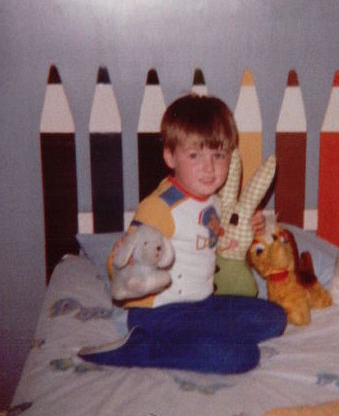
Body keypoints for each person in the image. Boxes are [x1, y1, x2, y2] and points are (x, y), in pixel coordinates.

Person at [79, 94, 286, 374]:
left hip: (202, 303)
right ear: (170, 156)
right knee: (243, 356)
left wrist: (250, 227)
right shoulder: (161, 207)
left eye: (218, 155)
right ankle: (143, 348)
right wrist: (127, 268)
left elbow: (211, 241)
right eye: (194, 155)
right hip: (159, 313)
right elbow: (121, 261)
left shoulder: (213, 201)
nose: (209, 167)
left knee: (274, 318)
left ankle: (204, 336)